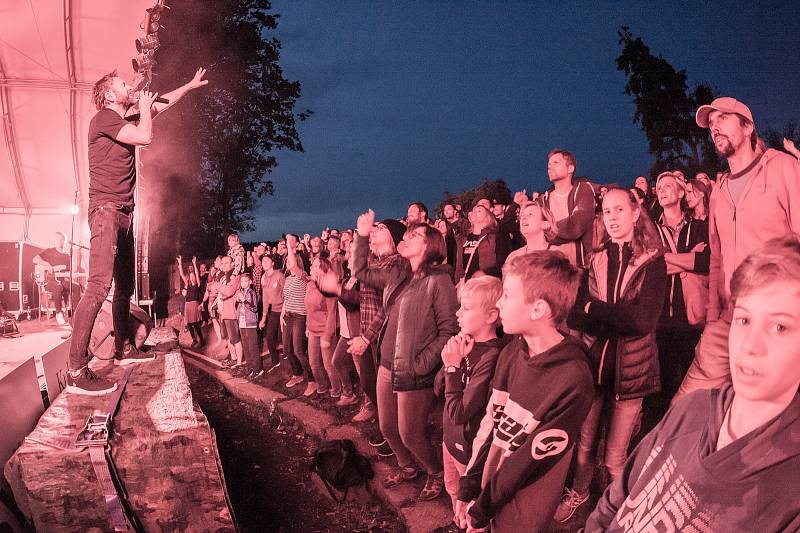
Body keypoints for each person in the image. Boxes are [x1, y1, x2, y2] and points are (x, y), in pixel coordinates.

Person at [587, 234, 800, 532]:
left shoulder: (789, 491)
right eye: (744, 320)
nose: (751, 344)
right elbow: (617, 498)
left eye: (779, 327)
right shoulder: (693, 408)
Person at [66, 67, 208, 395]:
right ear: (109, 95)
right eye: (123, 84)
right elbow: (145, 135)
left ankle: (123, 349)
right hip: (105, 212)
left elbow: (161, 105)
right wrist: (144, 110)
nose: (130, 86)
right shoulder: (103, 119)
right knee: (98, 286)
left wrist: (187, 84)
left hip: (123, 216)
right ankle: (76, 367)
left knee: (124, 287)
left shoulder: (123, 120)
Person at [456, 251, 593, 532]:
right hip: (492, 491)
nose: (499, 303)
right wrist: (470, 486)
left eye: (507, 294)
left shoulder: (574, 379)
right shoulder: (511, 353)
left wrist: (482, 509)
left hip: (525, 510)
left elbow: (527, 462)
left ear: (537, 309)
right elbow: (492, 422)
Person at [674, 97, 800, 402]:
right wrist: (713, 316)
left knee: (763, 414)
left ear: (748, 127)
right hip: (728, 317)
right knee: (684, 405)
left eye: (724, 119)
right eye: (711, 125)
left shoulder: (783, 168)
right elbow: (716, 258)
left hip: (774, 317)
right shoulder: (719, 190)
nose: (715, 128)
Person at [555, 187, 666, 522]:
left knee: (616, 457)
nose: (612, 218)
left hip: (631, 373)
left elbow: (642, 321)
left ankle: (622, 514)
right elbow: (575, 313)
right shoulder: (596, 258)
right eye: (606, 211)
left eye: (619, 210)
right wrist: (612, 316)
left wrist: (596, 309)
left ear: (635, 214)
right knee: (585, 446)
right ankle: (580, 493)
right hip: (594, 369)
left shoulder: (653, 263)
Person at [353, 209, 458, 502]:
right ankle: (407, 466)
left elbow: (449, 330)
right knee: (387, 426)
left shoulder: (439, 281)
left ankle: (436, 472)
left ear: (430, 246)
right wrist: (362, 237)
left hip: (415, 370)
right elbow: (360, 272)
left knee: (411, 432)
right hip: (387, 363)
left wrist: (422, 363)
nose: (406, 236)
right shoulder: (399, 272)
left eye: (414, 235)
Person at [437, 276, 503, 532]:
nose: (458, 313)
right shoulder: (465, 344)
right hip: (449, 440)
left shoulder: (491, 356)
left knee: (471, 507)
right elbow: (438, 389)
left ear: (490, 316)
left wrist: (453, 367)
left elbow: (460, 412)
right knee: (453, 491)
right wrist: (449, 362)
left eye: (466, 307)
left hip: (468, 448)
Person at [653, 172, 710, 403]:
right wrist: (689, 259)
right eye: (659, 188)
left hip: (691, 318)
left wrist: (668, 258)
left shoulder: (698, 226)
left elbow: (706, 262)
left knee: (692, 385)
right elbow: (652, 268)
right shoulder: (652, 231)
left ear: (680, 193)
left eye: (668, 186)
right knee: (663, 386)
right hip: (661, 320)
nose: (662, 190)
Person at [541, 149, 596, 269]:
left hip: (579, 268)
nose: (550, 167)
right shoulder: (543, 200)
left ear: (570, 168)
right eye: (549, 164)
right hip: (552, 269)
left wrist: (549, 228)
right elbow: (536, 234)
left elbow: (577, 225)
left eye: (556, 162)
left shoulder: (583, 191)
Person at [303, 255, 338, 398]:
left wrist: (327, 335)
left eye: (316, 266)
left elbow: (331, 312)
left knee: (329, 365)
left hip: (325, 329)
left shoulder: (328, 286)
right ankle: (322, 388)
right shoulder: (310, 285)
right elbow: (308, 308)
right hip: (312, 329)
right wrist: (307, 326)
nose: (311, 267)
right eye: (312, 265)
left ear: (323, 269)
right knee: (314, 363)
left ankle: (337, 390)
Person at [281, 234, 312, 390]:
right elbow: (286, 297)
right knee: (287, 349)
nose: (288, 264)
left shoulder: (303, 276)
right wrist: (282, 314)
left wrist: (288, 244)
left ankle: (313, 379)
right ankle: (298, 374)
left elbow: (293, 265)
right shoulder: (288, 279)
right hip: (289, 315)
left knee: (299, 351)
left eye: (289, 262)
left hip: (300, 316)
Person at [33, 231, 80, 326]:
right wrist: (47, 264)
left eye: (61, 239)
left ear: (64, 241)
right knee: (58, 287)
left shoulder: (67, 256)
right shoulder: (49, 251)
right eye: (56, 239)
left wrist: (71, 276)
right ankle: (58, 313)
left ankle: (77, 314)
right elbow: (35, 259)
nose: (58, 241)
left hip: (62, 280)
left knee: (76, 287)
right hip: (49, 281)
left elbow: (67, 273)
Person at [504, 199, 555, 264]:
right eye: (522, 215)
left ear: (545, 224)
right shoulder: (513, 257)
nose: (523, 217)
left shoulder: (557, 254)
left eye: (530, 214)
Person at [259, 254, 285, 370]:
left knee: (284, 338)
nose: (264, 263)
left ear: (272, 263)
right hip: (274, 311)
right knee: (269, 337)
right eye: (262, 261)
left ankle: (293, 361)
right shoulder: (263, 278)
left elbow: (286, 294)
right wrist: (264, 318)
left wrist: (285, 312)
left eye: (266, 261)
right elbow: (265, 298)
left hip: (285, 311)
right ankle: (275, 362)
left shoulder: (279, 275)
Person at [217, 256, 244, 369]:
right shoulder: (224, 277)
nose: (224, 265)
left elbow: (229, 291)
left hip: (232, 312)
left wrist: (218, 287)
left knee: (235, 339)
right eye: (222, 263)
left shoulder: (236, 277)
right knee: (228, 338)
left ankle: (239, 363)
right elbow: (220, 293)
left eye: (227, 263)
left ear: (233, 264)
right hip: (224, 312)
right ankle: (233, 358)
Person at [237, 272, 261, 380]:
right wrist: (238, 302)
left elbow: (254, 308)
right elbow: (239, 307)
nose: (243, 283)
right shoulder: (241, 292)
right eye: (241, 281)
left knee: (253, 347)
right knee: (246, 347)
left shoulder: (251, 293)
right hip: (242, 323)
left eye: (245, 281)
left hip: (250, 323)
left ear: (250, 282)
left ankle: (258, 369)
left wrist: (244, 300)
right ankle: (250, 367)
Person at [177, 255, 204, 349]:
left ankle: (202, 340)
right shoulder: (187, 285)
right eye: (191, 277)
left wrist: (194, 264)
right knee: (189, 324)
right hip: (188, 305)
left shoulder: (197, 284)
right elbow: (181, 274)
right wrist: (180, 263)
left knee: (196, 324)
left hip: (194, 305)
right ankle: (194, 340)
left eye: (194, 277)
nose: (192, 278)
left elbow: (196, 273)